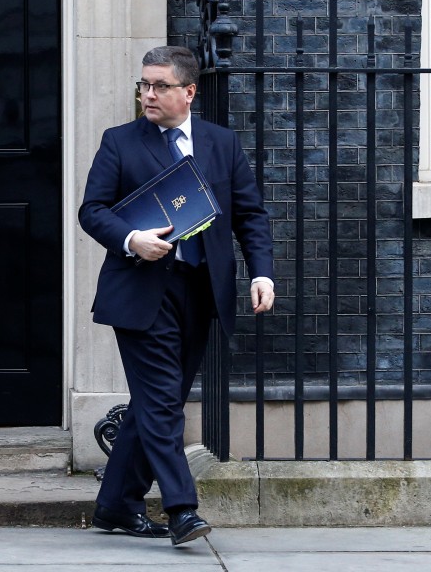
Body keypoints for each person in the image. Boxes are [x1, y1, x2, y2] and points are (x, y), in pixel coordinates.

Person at [79, 45, 275, 546]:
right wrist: (130, 239)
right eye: (143, 85)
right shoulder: (120, 142)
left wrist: (262, 273)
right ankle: (183, 509)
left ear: (188, 92)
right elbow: (92, 209)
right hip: (142, 290)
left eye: (159, 86)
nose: (148, 94)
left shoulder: (221, 144)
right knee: (164, 402)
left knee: (155, 402)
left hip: (201, 290)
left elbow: (250, 214)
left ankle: (115, 508)